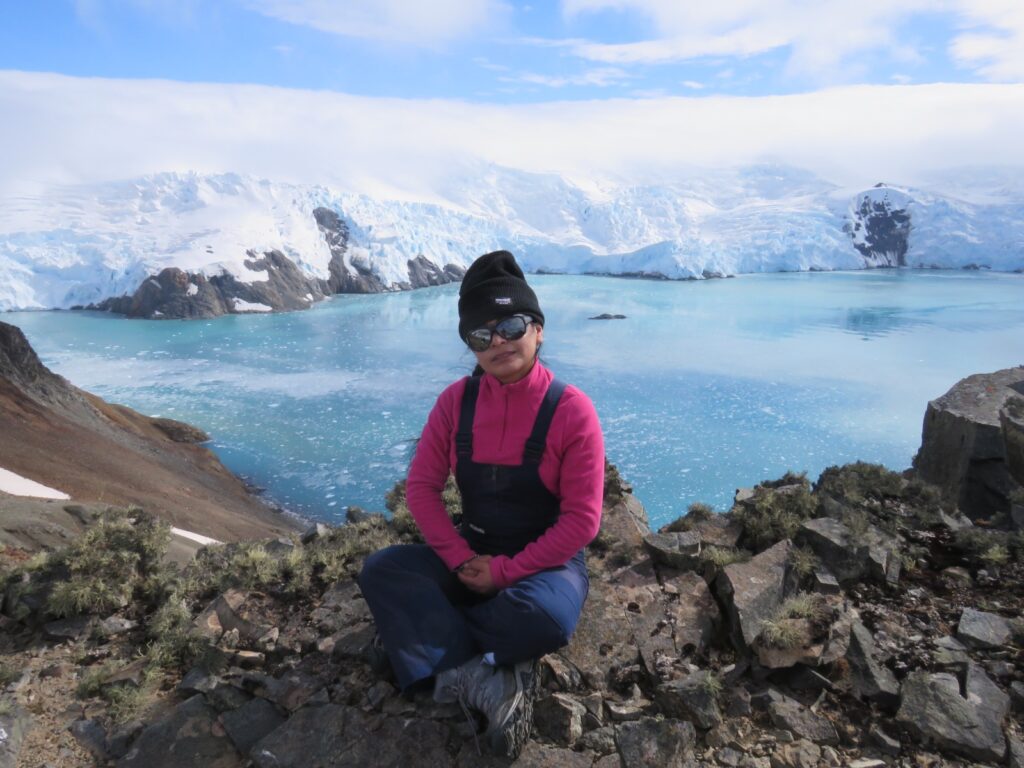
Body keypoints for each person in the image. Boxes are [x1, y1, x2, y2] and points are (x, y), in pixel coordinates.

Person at [358, 250, 605, 758]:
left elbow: (582, 520)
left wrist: (506, 573)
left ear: (538, 330)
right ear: (470, 346)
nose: (498, 342)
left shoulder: (572, 410)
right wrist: (462, 560)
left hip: (546, 565)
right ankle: (487, 672)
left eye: (511, 325)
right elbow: (422, 489)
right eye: (480, 334)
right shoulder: (455, 402)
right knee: (383, 569)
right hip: (471, 552)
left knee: (547, 619)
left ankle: (427, 647)